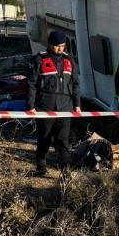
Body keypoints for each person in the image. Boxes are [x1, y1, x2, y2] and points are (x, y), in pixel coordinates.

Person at [28, 31, 81, 176]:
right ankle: (41, 165)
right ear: (50, 44)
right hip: (45, 105)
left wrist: (77, 104)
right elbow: (31, 83)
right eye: (57, 46)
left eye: (62, 46)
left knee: (63, 139)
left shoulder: (69, 60)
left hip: (66, 106)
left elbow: (75, 83)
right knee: (45, 137)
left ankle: (65, 170)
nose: (60, 49)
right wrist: (31, 106)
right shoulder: (39, 59)